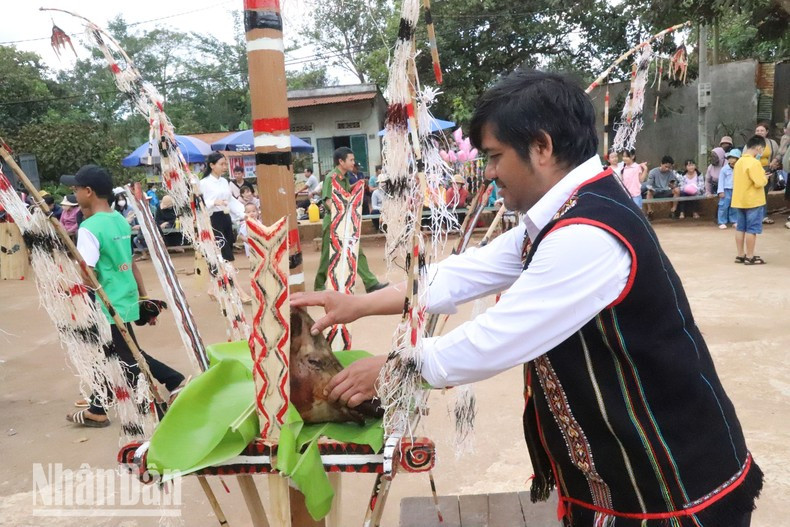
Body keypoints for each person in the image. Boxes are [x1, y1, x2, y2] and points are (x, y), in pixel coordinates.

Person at [293, 69, 761, 527]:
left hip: (669, 476)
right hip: (628, 469)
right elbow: (467, 271)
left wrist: (398, 369)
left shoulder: (586, 234)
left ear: (541, 146)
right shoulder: (564, 213)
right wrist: (358, 303)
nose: (490, 172)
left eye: (495, 156)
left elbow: (499, 337)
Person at [60, 165, 185, 427]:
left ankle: (173, 380)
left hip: (105, 302)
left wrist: (69, 286)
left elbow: (88, 273)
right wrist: (142, 296)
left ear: (89, 191)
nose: (74, 193)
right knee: (112, 351)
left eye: (76, 189)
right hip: (125, 296)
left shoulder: (89, 227)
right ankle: (98, 406)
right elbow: (131, 262)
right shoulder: (118, 219)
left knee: (127, 356)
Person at [313, 147, 388, 293]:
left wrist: (358, 185)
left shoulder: (346, 177)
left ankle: (370, 282)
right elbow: (328, 200)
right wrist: (340, 214)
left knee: (356, 251)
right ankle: (319, 285)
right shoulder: (331, 177)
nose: (353, 163)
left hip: (346, 221)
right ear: (341, 161)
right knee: (328, 254)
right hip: (334, 222)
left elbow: (345, 192)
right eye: (351, 160)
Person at [199, 152, 251, 302]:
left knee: (221, 255)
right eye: (221, 164)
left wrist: (244, 213)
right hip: (213, 220)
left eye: (224, 164)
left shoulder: (224, 182)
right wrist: (213, 203)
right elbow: (199, 204)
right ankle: (239, 292)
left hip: (226, 218)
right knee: (226, 256)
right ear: (212, 165)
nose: (224, 167)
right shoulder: (204, 183)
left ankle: (213, 288)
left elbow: (232, 201)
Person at [732, 136, 768, 265]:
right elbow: (759, 182)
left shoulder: (739, 162)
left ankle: (740, 254)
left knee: (741, 228)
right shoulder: (754, 163)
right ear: (758, 147)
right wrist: (765, 178)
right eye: (762, 149)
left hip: (740, 200)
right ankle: (750, 256)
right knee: (752, 229)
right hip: (753, 201)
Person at [717, 149, 740, 229]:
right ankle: (722, 221)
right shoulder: (724, 169)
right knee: (723, 205)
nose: (731, 160)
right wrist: (720, 191)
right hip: (726, 190)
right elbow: (721, 180)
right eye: (730, 158)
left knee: (734, 206)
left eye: (734, 158)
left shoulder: (739, 169)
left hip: (736, 190)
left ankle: (734, 220)